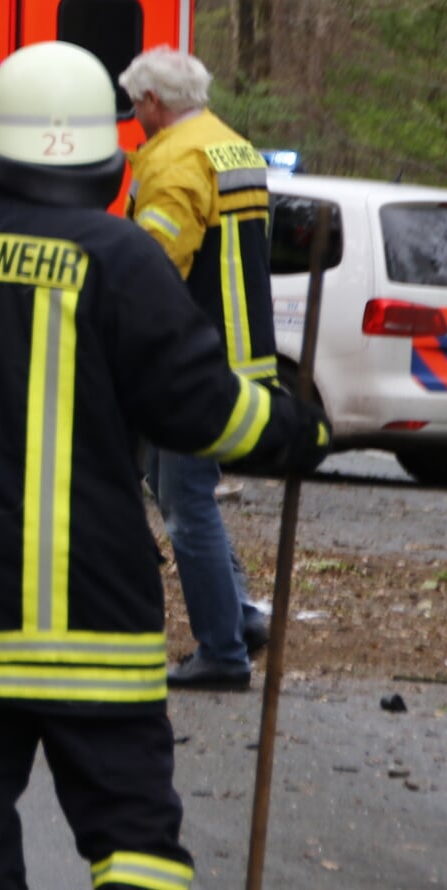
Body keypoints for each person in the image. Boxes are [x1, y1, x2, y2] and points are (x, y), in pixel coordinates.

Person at [0, 42, 329, 889]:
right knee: (136, 843)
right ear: (104, 156)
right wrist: (299, 434)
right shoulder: (120, 259)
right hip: (94, 626)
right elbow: (203, 408)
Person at [119, 46, 276, 690]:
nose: (134, 117)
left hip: (191, 360)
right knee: (172, 482)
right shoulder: (233, 146)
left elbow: (153, 269)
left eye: (136, 105)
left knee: (184, 501)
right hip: (239, 351)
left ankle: (222, 652)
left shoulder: (175, 160)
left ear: (155, 103)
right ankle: (239, 617)